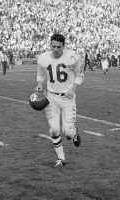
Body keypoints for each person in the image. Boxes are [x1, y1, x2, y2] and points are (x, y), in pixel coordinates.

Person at [35, 33, 84, 168]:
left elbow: (79, 76)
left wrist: (73, 89)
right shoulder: (43, 58)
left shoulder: (72, 57)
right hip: (51, 97)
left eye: (59, 47)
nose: (55, 49)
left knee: (68, 132)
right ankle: (61, 159)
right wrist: (39, 84)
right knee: (54, 130)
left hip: (68, 98)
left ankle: (74, 134)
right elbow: (40, 74)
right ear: (50, 45)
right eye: (53, 46)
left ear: (64, 46)